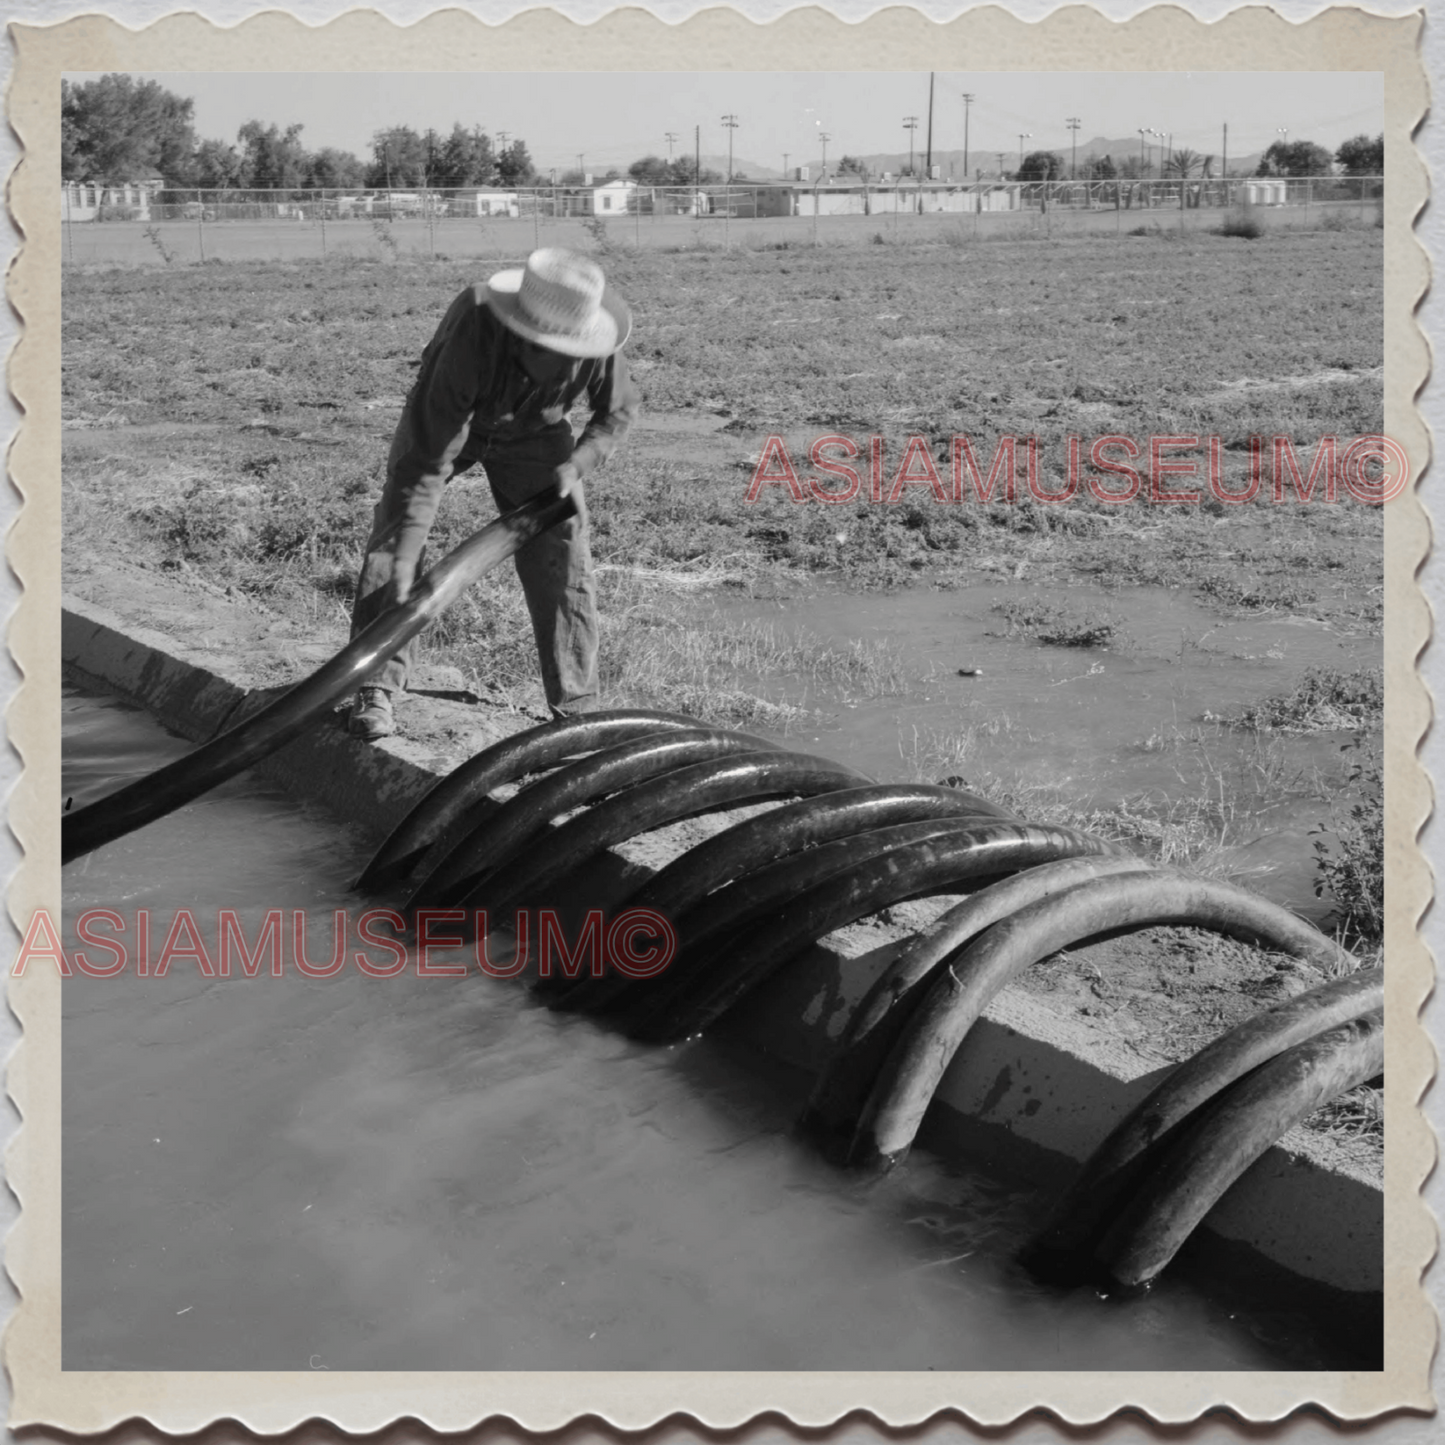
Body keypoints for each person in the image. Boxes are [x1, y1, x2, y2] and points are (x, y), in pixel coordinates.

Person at [348, 248, 641, 740]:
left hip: (538, 434)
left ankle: (577, 706)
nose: (564, 359)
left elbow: (618, 412)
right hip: (454, 418)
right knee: (397, 539)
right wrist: (405, 569)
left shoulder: (595, 337)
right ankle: (374, 687)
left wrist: (578, 463)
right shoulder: (474, 330)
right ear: (521, 332)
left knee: (563, 547)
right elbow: (426, 465)